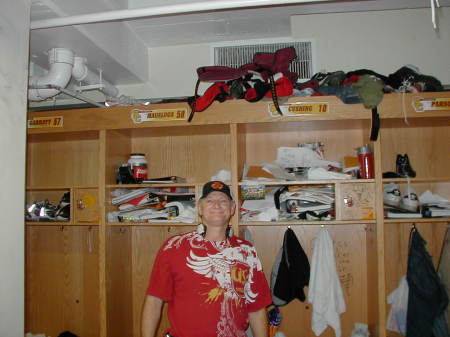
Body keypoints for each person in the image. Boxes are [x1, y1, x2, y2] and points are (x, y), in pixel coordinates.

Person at [141, 180, 272, 337]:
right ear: (200, 208)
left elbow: (256, 309)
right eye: (210, 201)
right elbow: (154, 301)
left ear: (232, 208)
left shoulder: (247, 251)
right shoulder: (173, 246)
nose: (217, 205)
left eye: (223, 201)